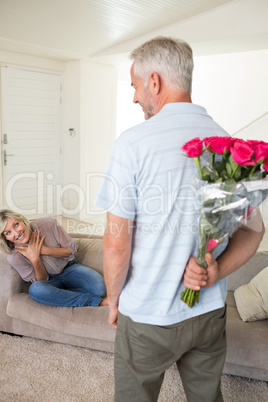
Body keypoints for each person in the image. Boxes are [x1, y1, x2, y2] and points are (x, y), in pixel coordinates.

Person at [95, 36, 265, 402]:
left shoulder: (133, 144)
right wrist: (217, 272)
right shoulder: (227, 144)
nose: (135, 97)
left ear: (154, 82)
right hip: (208, 313)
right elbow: (255, 232)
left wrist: (113, 299)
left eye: (136, 87)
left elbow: (115, 242)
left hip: (147, 316)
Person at [0, 209, 108, 307]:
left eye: (16, 224)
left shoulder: (48, 224)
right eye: (8, 232)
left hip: (69, 268)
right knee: (36, 290)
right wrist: (35, 259)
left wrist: (44, 250)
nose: (16, 233)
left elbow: (71, 251)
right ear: (5, 238)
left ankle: (61, 296)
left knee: (100, 287)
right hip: (49, 281)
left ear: (22, 220)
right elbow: (41, 281)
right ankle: (95, 301)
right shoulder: (14, 257)